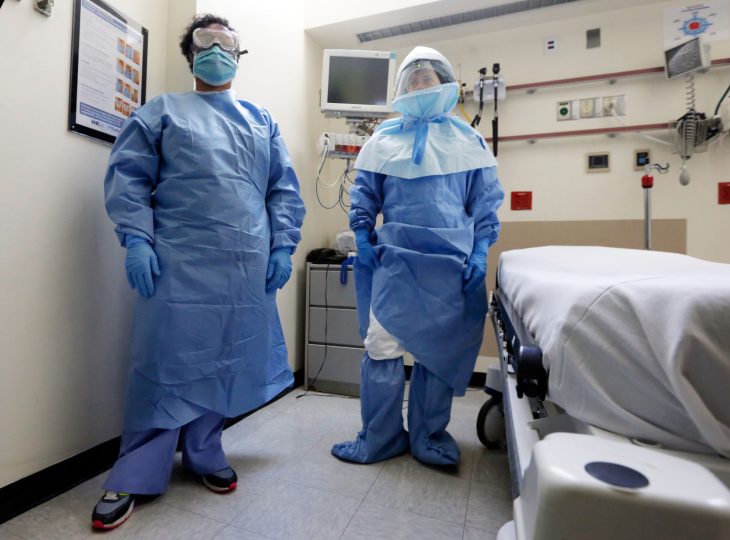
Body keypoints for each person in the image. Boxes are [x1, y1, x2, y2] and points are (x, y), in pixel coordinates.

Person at [92, 14, 306, 530]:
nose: (216, 50)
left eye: (225, 43)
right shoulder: (160, 112)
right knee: (164, 358)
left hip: (243, 262)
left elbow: (283, 190)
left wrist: (283, 247)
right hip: (177, 261)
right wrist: (138, 239)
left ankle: (206, 450)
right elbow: (129, 178)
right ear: (191, 55)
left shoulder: (261, 120)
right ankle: (138, 469)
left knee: (225, 357)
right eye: (205, 42)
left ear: (238, 54)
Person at [331, 47, 504, 467]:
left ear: (445, 85)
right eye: (415, 79)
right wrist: (361, 234)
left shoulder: (470, 140)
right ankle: (381, 436)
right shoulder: (383, 139)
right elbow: (365, 195)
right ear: (403, 88)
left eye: (429, 78)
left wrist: (482, 250)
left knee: (436, 353)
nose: (422, 84)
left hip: (449, 263)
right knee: (381, 346)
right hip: (396, 261)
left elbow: (485, 204)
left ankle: (429, 436)